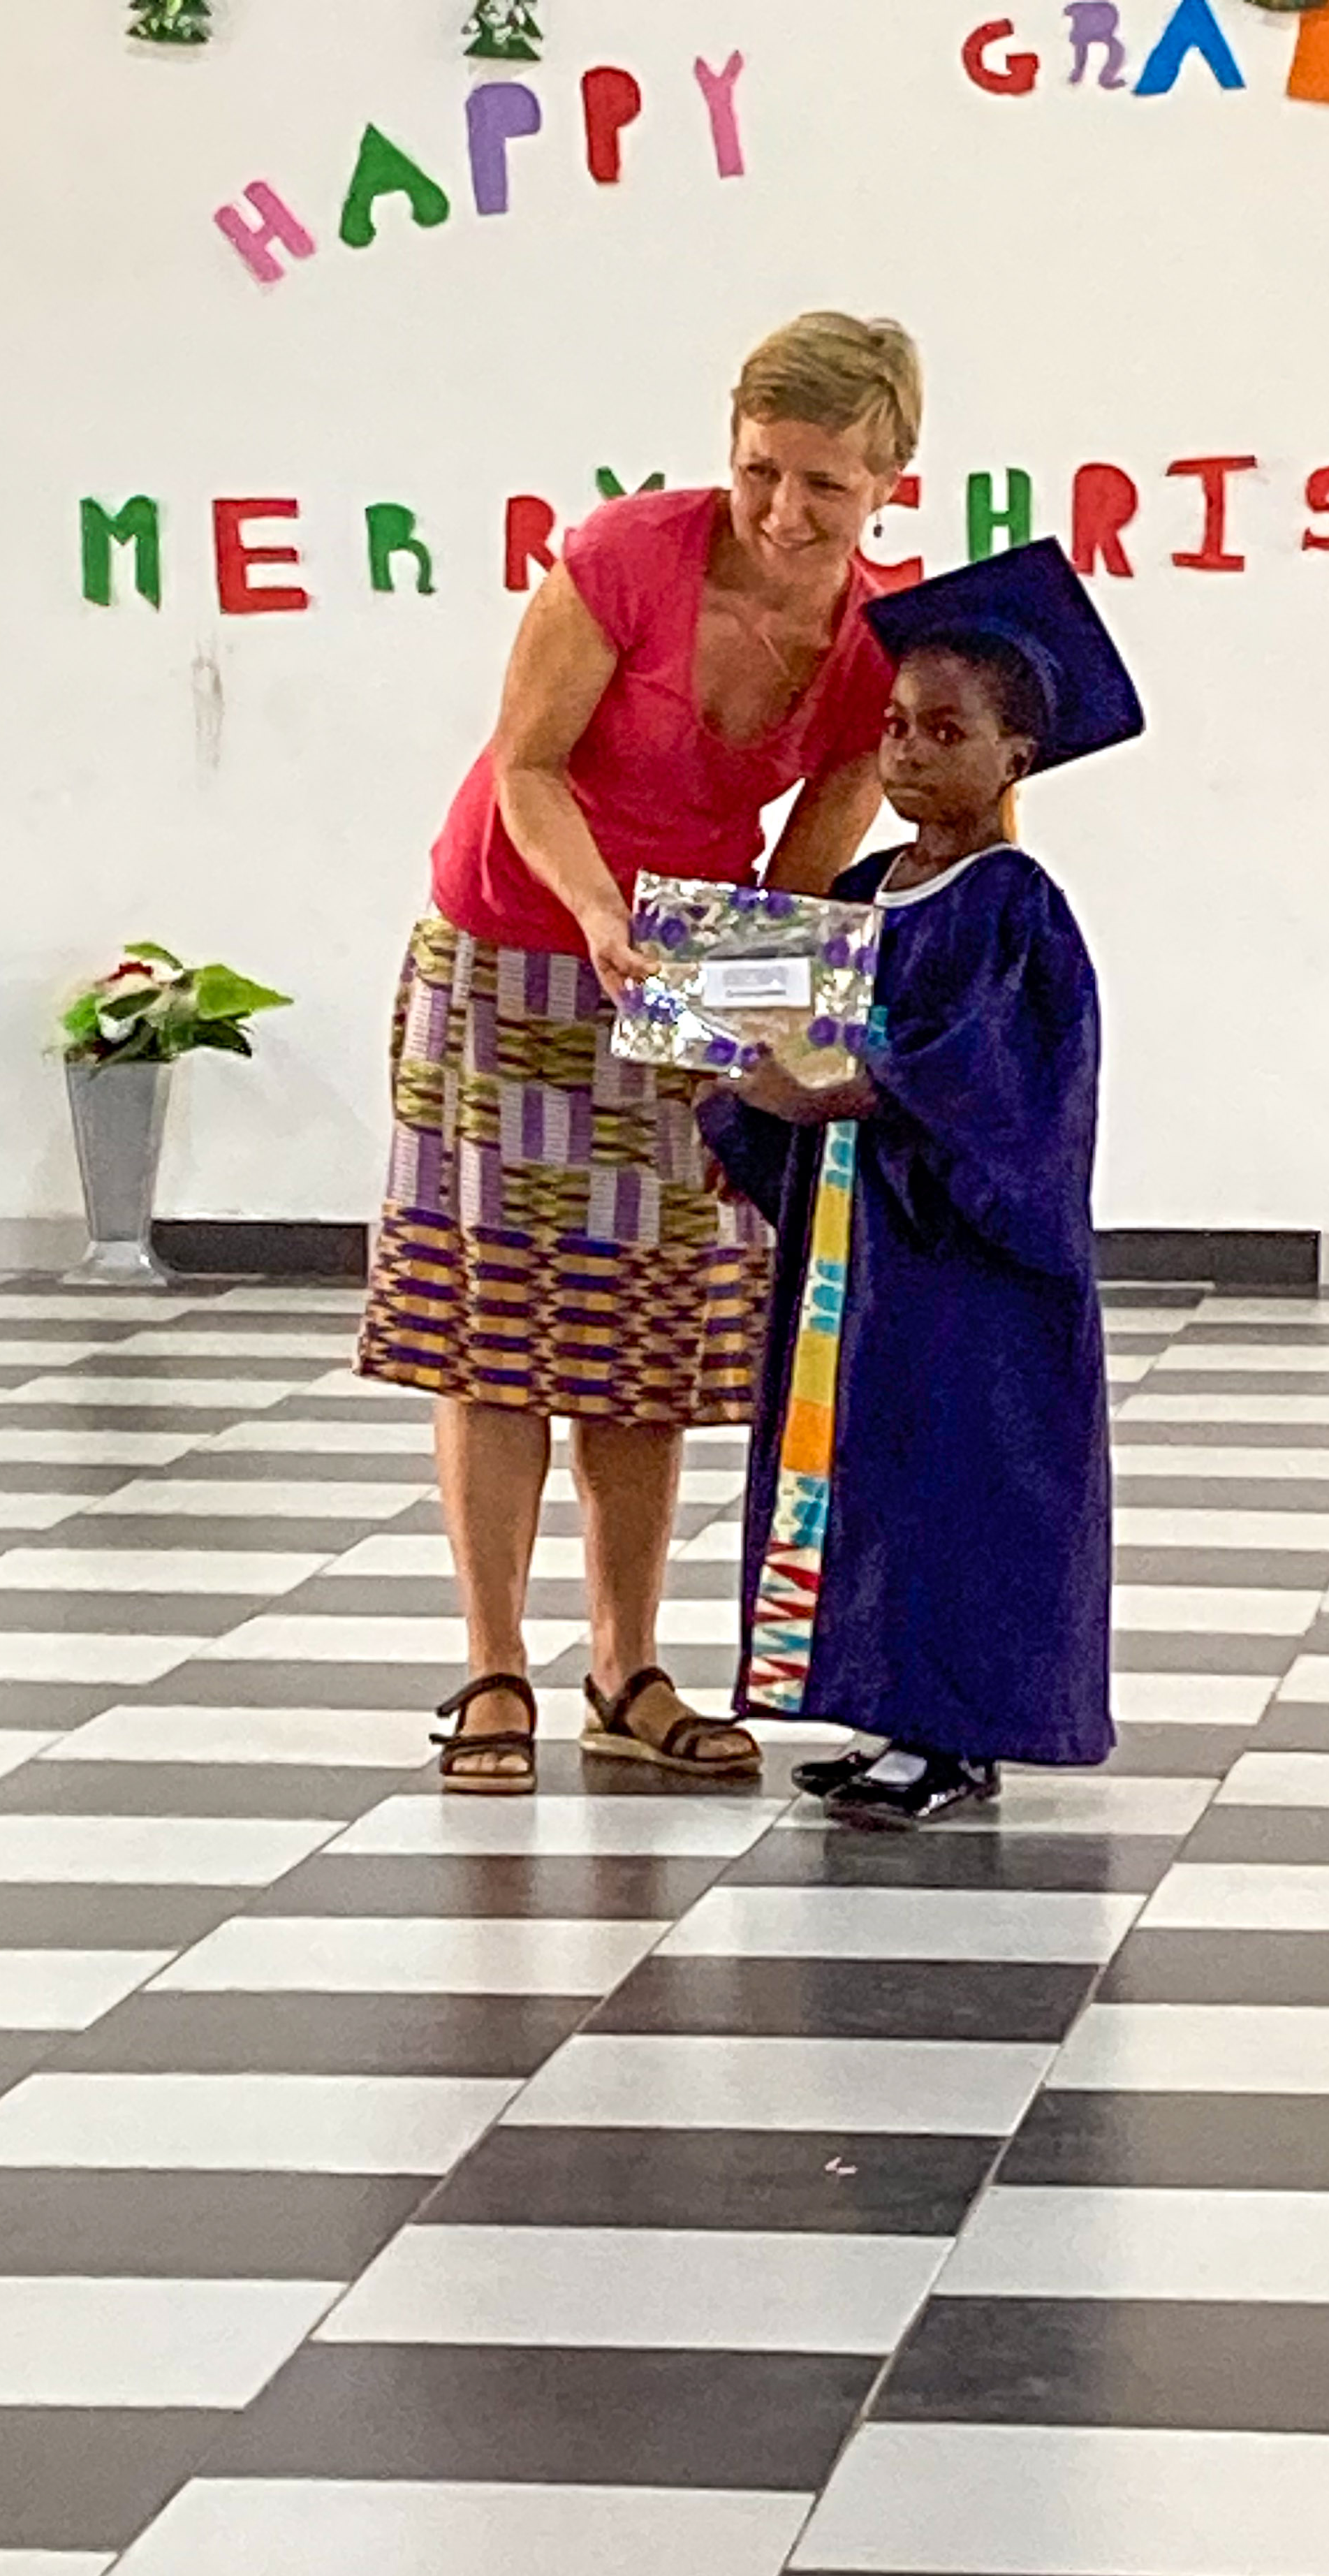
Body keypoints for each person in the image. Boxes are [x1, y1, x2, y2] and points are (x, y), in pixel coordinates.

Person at [355, 314, 923, 1793]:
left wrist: (754, 996)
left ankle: (626, 1667)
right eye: (760, 469)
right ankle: (494, 1666)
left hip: (681, 964)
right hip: (513, 934)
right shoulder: (627, 557)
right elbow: (529, 763)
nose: (783, 511)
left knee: (646, 1329)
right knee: (493, 1321)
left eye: (825, 485)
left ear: (889, 482)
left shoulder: (875, 641)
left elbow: (816, 843)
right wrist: (597, 911)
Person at [698, 540, 1144, 1828]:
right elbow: (782, 1041)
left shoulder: (1014, 907)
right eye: (896, 726)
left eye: (946, 732)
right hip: (855, 1252)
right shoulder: (857, 894)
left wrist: (852, 1084)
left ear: (1015, 756)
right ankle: (886, 1712)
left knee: (959, 1479)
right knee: (863, 1469)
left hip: (962, 1267)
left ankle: (957, 1731)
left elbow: (1001, 1078)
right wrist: (730, 1090)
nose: (907, 753)